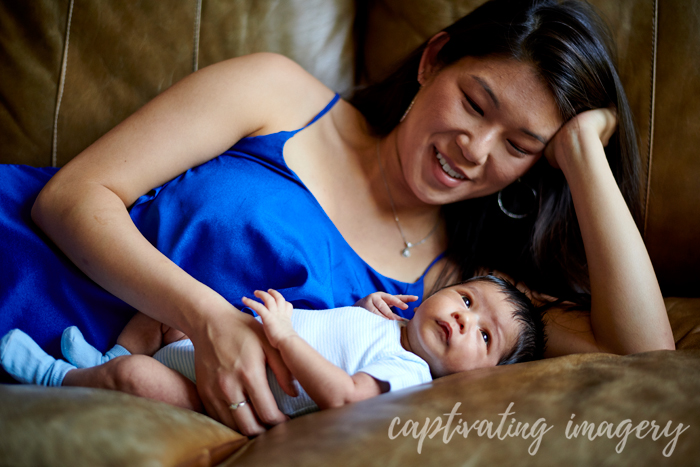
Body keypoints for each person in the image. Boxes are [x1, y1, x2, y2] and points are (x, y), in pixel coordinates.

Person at [0, 0, 674, 435]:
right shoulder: (280, 95)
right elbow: (72, 198)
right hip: (24, 257)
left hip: (107, 382)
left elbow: (651, 366)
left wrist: (583, 154)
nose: (477, 148)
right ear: (433, 60)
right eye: (474, 102)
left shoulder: (464, 293)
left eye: (521, 146)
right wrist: (211, 319)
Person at [1, 276, 544, 417]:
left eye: (484, 335)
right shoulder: (389, 330)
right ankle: (107, 361)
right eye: (468, 300)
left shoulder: (408, 372)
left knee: (140, 382)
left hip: (215, 394)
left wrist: (283, 336)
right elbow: (342, 335)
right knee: (162, 309)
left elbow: (346, 396)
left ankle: (56, 376)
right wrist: (366, 305)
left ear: (483, 375)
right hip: (207, 346)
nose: (462, 319)